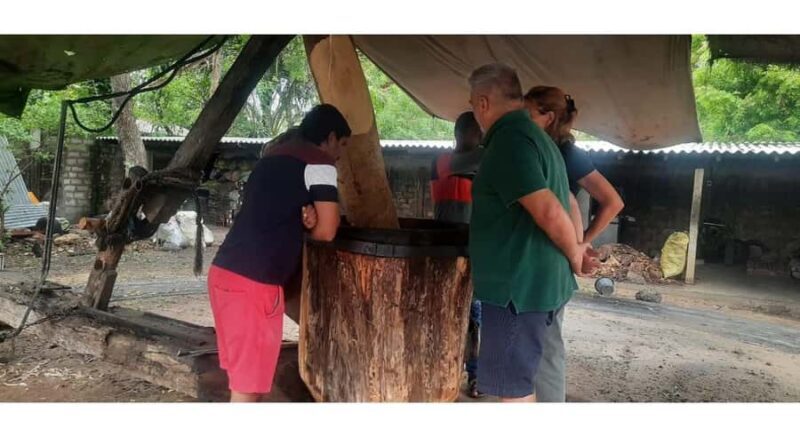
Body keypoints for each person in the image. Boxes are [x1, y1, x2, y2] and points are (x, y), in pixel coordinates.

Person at [467, 63, 596, 402]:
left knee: (515, 392)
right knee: (526, 381)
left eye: (472, 105)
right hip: (538, 283)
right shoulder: (539, 138)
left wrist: (575, 254)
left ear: (482, 102)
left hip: (516, 290)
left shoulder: (509, 141)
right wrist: (578, 247)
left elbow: (550, 210)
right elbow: (567, 200)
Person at [208, 104, 350, 402]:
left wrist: (304, 224)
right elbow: (328, 231)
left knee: (242, 382)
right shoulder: (319, 163)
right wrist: (313, 227)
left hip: (224, 274)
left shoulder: (272, 158)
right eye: (342, 145)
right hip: (255, 285)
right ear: (331, 136)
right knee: (248, 392)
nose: (340, 154)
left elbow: (273, 215)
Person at [523, 86, 624, 402]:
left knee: (547, 345)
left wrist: (582, 242)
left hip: (554, 259)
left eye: (528, 113)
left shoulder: (567, 154)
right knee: (533, 344)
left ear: (548, 116)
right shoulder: (533, 149)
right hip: (534, 258)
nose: (520, 120)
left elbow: (612, 201)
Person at [429, 111, 485, 398]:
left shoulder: (475, 161)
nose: (481, 137)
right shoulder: (444, 162)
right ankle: (449, 372)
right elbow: (484, 159)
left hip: (469, 248)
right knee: (454, 313)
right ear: (462, 134)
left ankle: (474, 375)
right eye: (478, 132)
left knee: (473, 315)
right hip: (449, 248)